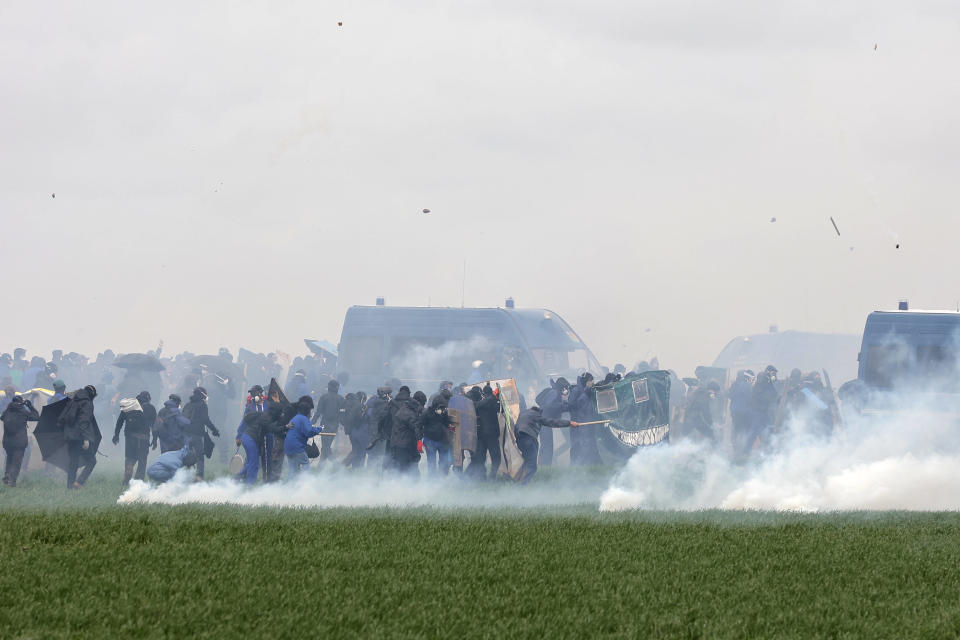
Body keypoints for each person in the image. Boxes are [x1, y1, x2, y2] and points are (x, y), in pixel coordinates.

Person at [514, 406, 581, 483]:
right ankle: (523, 485)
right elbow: (551, 422)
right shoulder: (535, 415)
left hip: (519, 439)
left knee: (526, 462)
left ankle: (517, 481)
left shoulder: (523, 414)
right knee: (532, 466)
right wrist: (569, 423)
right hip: (529, 439)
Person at [58, 385, 99, 489]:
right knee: (92, 461)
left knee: (73, 462)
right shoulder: (87, 403)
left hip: (70, 437)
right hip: (80, 437)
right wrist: (86, 439)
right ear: (92, 395)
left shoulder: (73, 401)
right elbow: (84, 421)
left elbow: (62, 418)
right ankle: (79, 482)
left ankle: (70, 486)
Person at [181, 387, 220, 480]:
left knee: (187, 456)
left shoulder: (187, 405)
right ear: (203, 395)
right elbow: (205, 419)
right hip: (197, 434)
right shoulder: (202, 405)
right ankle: (199, 477)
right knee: (199, 457)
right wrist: (214, 430)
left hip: (186, 434)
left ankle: (186, 477)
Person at [2, 395, 40, 486]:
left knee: (10, 458)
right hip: (19, 441)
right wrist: (30, 406)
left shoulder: (7, 411)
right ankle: (12, 480)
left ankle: (7, 474)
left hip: (7, 442)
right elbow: (36, 416)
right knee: (17, 461)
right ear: (20, 402)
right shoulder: (23, 412)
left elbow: (2, 416)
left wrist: (10, 406)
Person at [112, 396, 151, 485]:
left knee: (130, 457)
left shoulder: (127, 410)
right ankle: (138, 481)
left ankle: (128, 473)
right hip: (143, 439)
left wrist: (116, 435)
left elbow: (119, 422)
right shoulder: (149, 409)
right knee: (142, 460)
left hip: (130, 438)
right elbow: (151, 424)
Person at [235, 385, 268, 484]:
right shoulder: (250, 407)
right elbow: (243, 423)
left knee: (250, 461)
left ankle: (237, 480)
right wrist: (238, 436)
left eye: (254, 393)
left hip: (259, 437)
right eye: (251, 394)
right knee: (254, 462)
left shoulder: (267, 405)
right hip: (249, 437)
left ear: (260, 393)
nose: (252, 395)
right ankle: (249, 485)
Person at [470, 384, 502, 480]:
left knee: (481, 457)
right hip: (491, 434)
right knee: (495, 457)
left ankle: (482, 477)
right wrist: (495, 397)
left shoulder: (482, 403)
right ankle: (490, 476)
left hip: (482, 434)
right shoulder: (493, 401)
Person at [386, 386, 421, 473]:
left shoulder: (399, 408)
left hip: (394, 440)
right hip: (404, 444)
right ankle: (405, 483)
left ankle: (390, 481)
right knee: (405, 467)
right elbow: (416, 429)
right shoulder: (409, 414)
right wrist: (419, 441)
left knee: (395, 465)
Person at [285, 396, 321, 477]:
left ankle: (289, 486)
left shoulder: (294, 418)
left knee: (292, 468)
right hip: (296, 446)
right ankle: (303, 483)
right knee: (305, 463)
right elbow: (309, 432)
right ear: (307, 412)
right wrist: (319, 429)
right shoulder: (303, 419)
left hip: (288, 445)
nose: (311, 414)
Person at [420, 391, 452, 476]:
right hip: (430, 440)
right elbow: (420, 425)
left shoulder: (444, 413)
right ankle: (432, 480)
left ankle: (442, 477)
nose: (441, 408)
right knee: (431, 462)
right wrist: (419, 438)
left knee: (444, 461)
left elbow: (447, 424)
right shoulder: (426, 413)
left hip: (442, 440)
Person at [314, 379, 344, 463]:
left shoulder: (324, 397)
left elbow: (318, 412)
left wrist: (311, 422)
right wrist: (342, 424)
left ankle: (334, 464)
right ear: (337, 387)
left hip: (324, 424)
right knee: (327, 446)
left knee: (325, 446)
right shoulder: (341, 399)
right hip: (334, 425)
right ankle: (323, 465)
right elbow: (342, 414)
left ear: (328, 387)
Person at [340, 391, 369, 468]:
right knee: (361, 451)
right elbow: (359, 418)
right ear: (362, 398)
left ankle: (352, 466)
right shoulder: (359, 405)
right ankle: (358, 468)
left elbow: (342, 416)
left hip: (350, 431)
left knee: (355, 450)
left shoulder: (347, 403)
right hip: (358, 430)